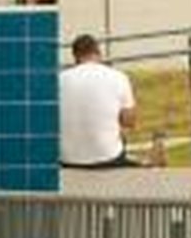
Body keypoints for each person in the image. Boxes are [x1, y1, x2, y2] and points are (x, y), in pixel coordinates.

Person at [58, 31, 139, 171]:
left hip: (66, 160)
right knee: (121, 136)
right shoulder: (118, 77)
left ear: (75, 56)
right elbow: (129, 122)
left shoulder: (60, 79)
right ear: (98, 52)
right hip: (108, 159)